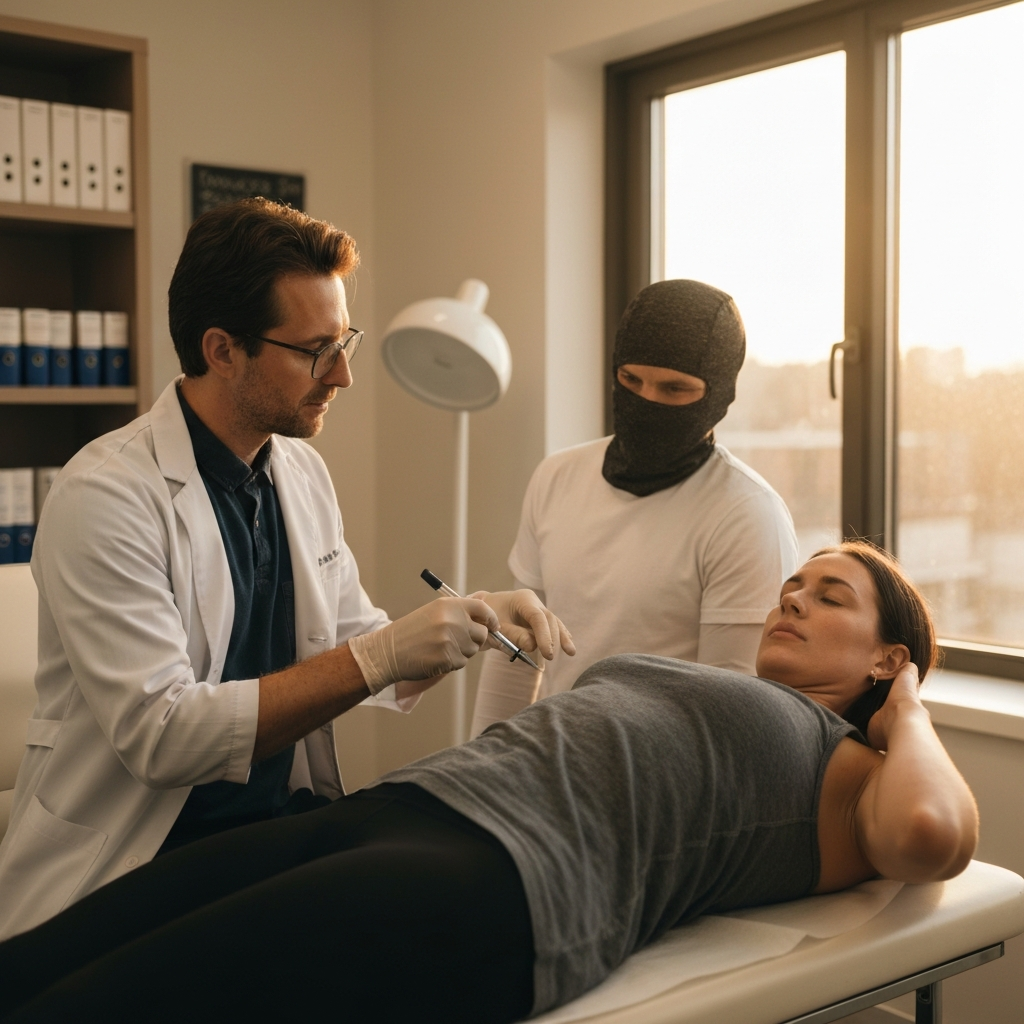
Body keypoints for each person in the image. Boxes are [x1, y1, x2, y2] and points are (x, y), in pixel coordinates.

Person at [0, 542, 978, 1024]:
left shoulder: (852, 764)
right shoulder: (741, 698)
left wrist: (911, 709)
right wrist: (504, 637)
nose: (794, 597)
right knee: (48, 954)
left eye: (829, 594)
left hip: (501, 879)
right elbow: (534, 743)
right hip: (416, 805)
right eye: (791, 586)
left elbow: (933, 837)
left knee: (109, 1002)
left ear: (888, 657)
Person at [0, 198, 571, 941]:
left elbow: (351, 640)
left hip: (268, 834)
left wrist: (471, 619)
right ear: (222, 349)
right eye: (314, 350)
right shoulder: (105, 497)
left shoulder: (298, 471)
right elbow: (163, 736)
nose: (342, 377)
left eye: (346, 343)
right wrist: (379, 657)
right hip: (138, 859)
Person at [471, 278, 799, 737]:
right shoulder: (557, 477)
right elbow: (517, 653)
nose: (647, 401)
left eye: (674, 389)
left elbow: (730, 715)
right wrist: (483, 767)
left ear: (719, 395)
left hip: (658, 786)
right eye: (631, 379)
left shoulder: (746, 514)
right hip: (547, 769)